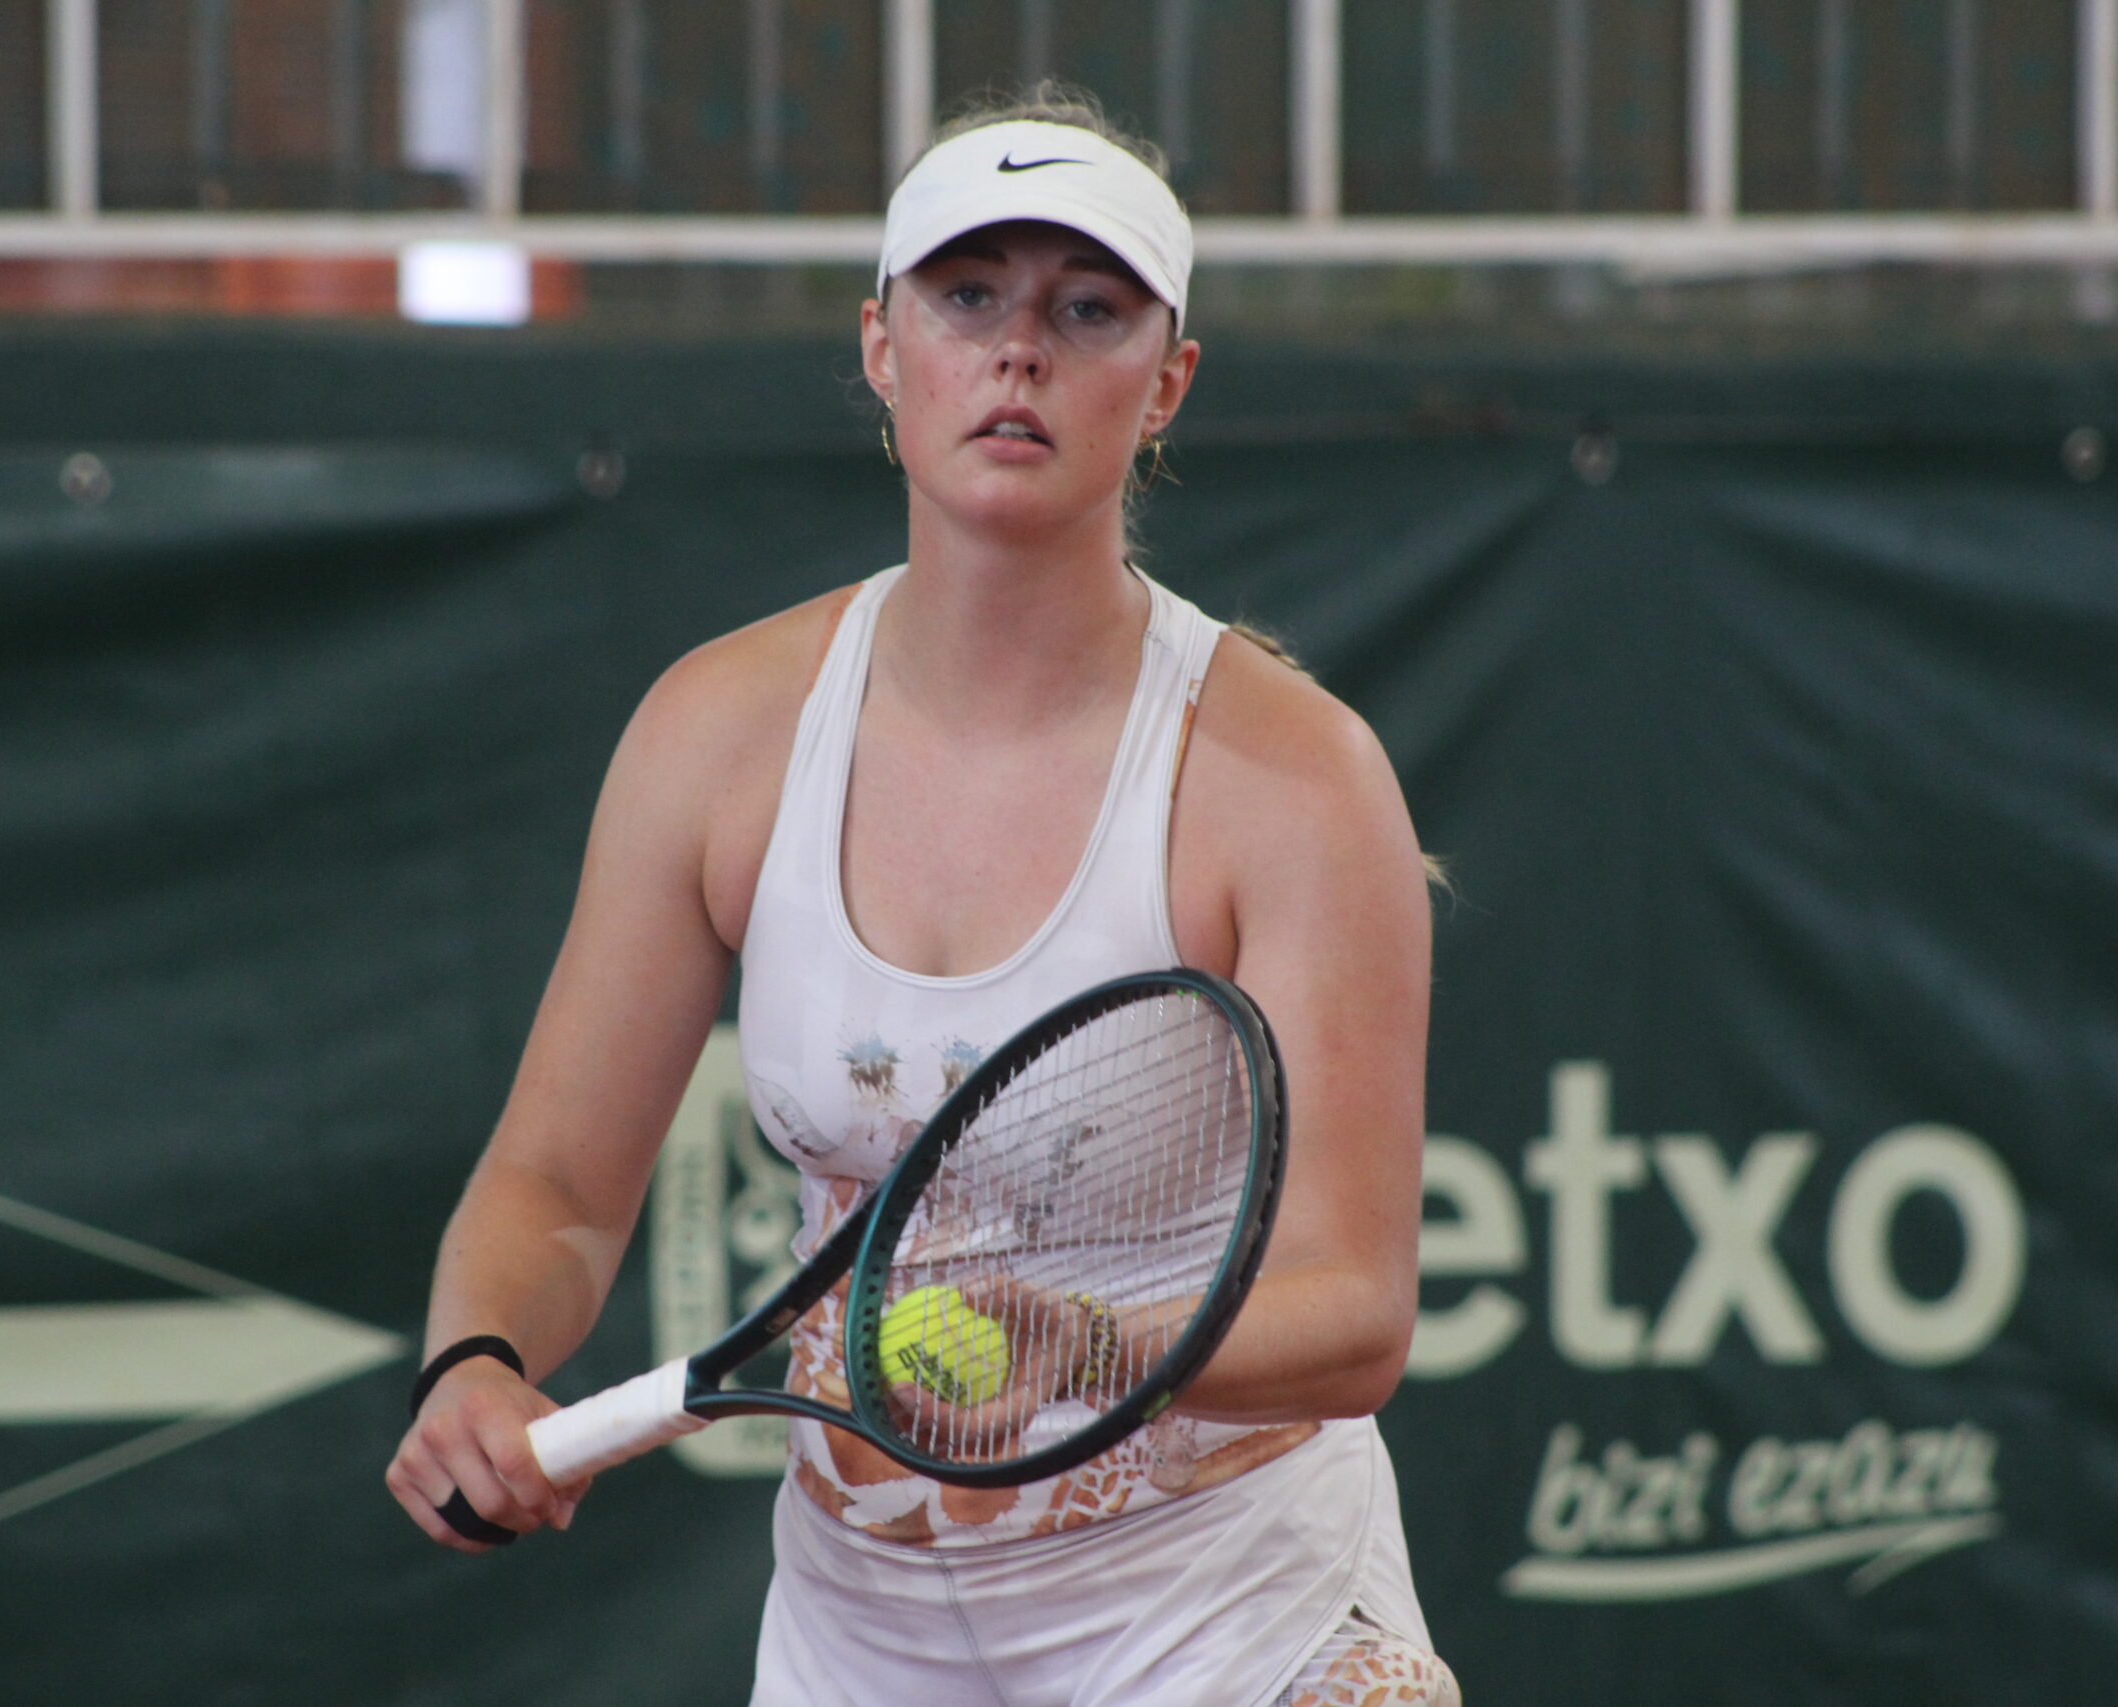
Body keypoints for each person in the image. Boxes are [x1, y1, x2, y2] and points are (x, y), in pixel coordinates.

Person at [386, 88, 1460, 1707]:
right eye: (968, 297)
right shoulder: (715, 735)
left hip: (1235, 1620)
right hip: (862, 1639)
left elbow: (1358, 1315)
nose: (1018, 351)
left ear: (1166, 383)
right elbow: (556, 1183)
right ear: (883, 348)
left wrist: (1080, 1345)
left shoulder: (1300, 780)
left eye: (1086, 310)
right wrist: (479, 1359)